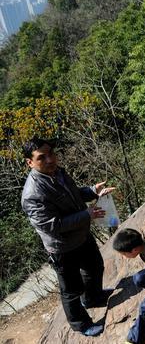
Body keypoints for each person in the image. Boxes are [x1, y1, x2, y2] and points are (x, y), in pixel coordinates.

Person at [21, 137, 115, 337]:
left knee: (95, 267)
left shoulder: (58, 173)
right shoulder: (32, 194)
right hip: (62, 247)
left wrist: (92, 191)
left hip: (81, 235)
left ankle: (93, 298)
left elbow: (73, 194)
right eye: (41, 158)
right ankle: (80, 324)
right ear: (30, 163)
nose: (49, 160)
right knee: (71, 290)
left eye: (51, 154)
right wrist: (86, 215)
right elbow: (51, 226)